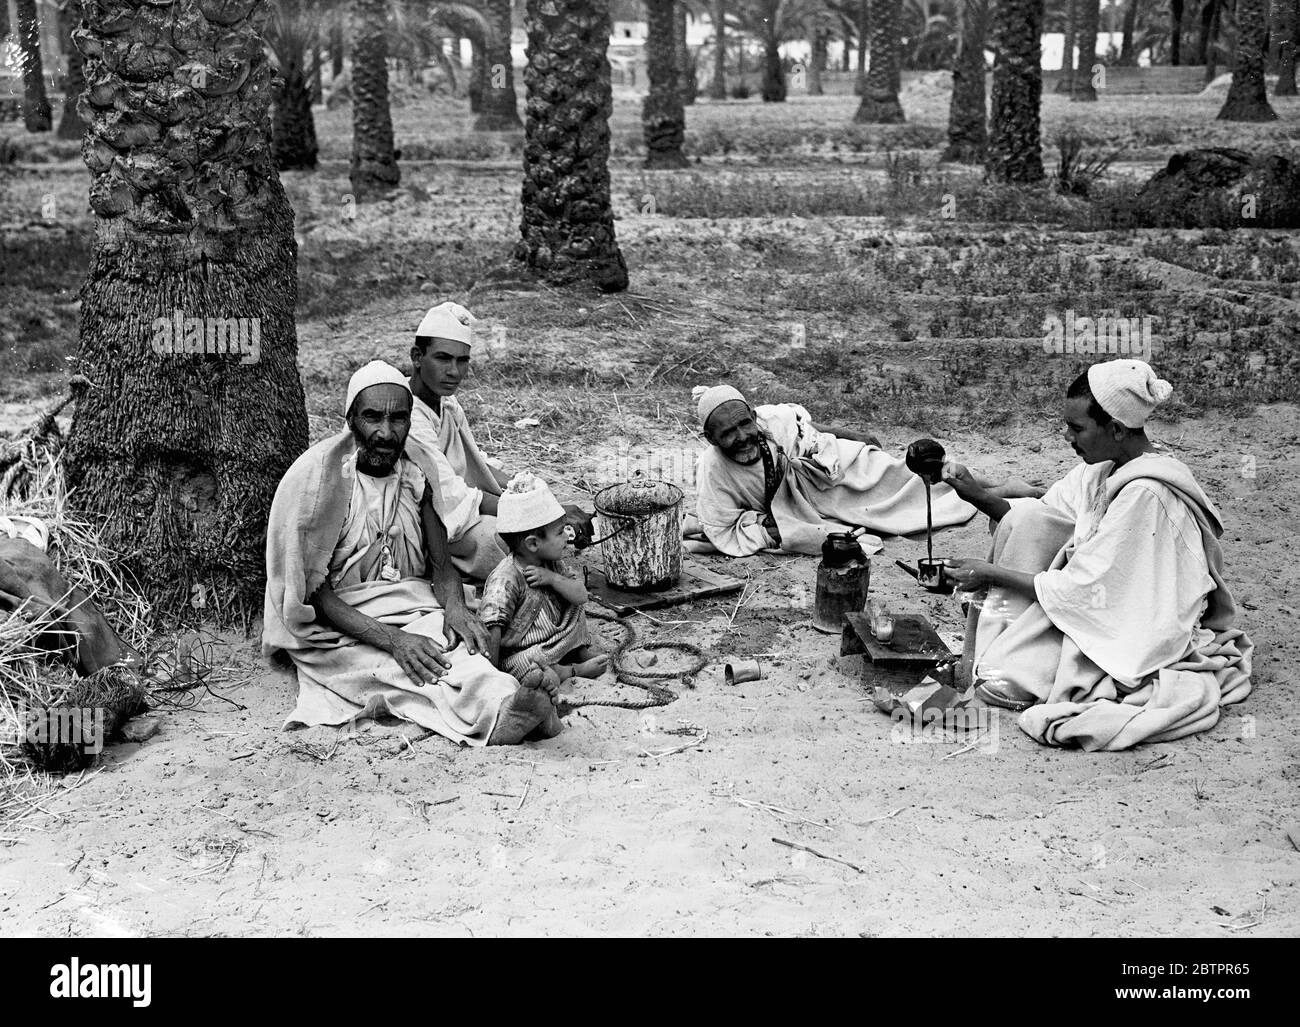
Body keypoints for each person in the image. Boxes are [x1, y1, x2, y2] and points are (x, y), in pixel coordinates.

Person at [943, 359, 1253, 751]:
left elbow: (1089, 589)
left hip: (1134, 622)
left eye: (1076, 428)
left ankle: (1025, 652)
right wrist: (977, 495)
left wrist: (990, 574)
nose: (1068, 437)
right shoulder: (1100, 469)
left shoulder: (1148, 494)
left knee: (1004, 676)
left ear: (1117, 430)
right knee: (1031, 516)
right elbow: (1044, 521)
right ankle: (1019, 644)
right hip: (1090, 605)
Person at [262, 360, 561, 746]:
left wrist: (453, 605)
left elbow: (441, 565)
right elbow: (312, 593)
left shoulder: (415, 471)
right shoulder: (321, 480)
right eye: (373, 418)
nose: (386, 433)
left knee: (454, 644)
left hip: (412, 602)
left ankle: (510, 703)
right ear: (351, 419)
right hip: (337, 623)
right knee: (395, 668)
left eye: (398, 419)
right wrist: (391, 639)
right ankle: (499, 715)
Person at [687, 384, 1004, 557]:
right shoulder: (712, 470)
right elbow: (723, 527)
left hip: (826, 470)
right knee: (884, 518)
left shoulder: (770, 419)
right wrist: (765, 524)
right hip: (798, 504)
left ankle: (998, 490)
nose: (742, 436)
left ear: (753, 415)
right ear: (711, 438)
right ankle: (981, 497)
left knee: (899, 476)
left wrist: (853, 435)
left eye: (745, 423)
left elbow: (808, 428)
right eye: (727, 432)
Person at [480, 473, 608, 685]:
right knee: (532, 663)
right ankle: (573, 671)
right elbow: (493, 627)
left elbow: (581, 596)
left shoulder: (552, 562)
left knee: (574, 605)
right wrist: (494, 676)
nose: (566, 537)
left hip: (555, 637)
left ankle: (578, 650)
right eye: (559, 533)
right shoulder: (505, 578)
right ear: (532, 544)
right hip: (525, 650)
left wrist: (553, 579)